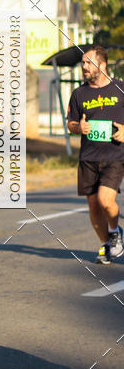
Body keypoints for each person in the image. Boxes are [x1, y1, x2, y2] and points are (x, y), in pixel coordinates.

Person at [67, 45, 124, 264]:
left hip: (115, 155)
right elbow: (71, 124)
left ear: (102, 65)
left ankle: (115, 231)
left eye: (88, 62)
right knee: (93, 205)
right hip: (88, 157)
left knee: (105, 200)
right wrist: (78, 128)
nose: (84, 67)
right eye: (83, 63)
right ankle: (107, 244)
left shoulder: (120, 89)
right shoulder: (79, 93)